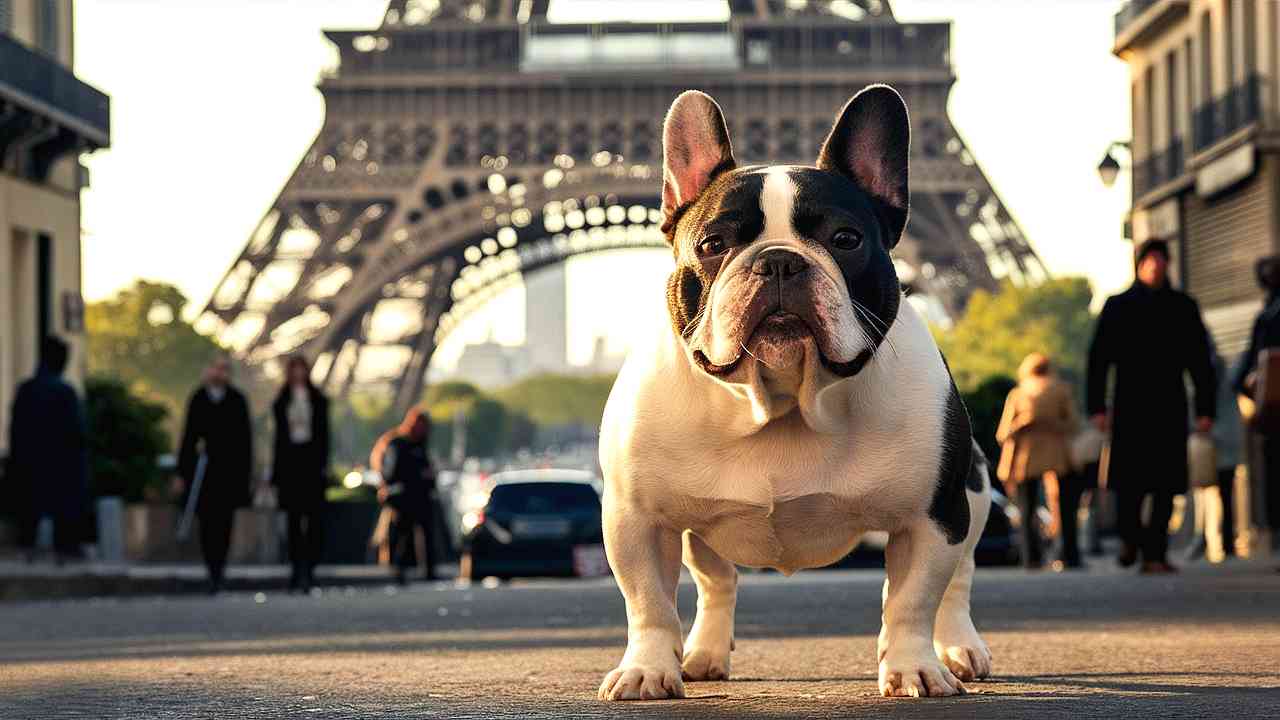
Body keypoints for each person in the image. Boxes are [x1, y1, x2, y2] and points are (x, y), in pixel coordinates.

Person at [1087, 239, 1215, 574]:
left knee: (1164, 483)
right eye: (1149, 260)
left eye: (1160, 260)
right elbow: (1099, 361)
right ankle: (1132, 539)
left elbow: (1201, 362)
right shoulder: (1117, 306)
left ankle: (1155, 553)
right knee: (1130, 484)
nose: (1155, 266)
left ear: (1168, 264)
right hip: (1130, 405)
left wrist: (1205, 409)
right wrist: (1097, 407)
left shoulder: (1183, 307)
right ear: (1139, 265)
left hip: (1169, 405)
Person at [9, 337, 90, 564]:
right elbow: (77, 434)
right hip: (61, 463)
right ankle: (64, 550)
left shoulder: (26, 390)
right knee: (63, 509)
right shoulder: (65, 392)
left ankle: (28, 549)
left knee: (30, 510)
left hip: (29, 461)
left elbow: (16, 429)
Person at [177, 355, 254, 594]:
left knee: (224, 523)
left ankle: (219, 570)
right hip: (204, 473)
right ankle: (212, 569)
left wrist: (246, 474)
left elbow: (245, 441)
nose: (219, 374)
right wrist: (182, 472)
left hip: (229, 472)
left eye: (223, 370)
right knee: (207, 523)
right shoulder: (198, 398)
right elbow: (188, 436)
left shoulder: (237, 400)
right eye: (215, 368)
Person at [996, 352, 1077, 570]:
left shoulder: (1018, 393)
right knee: (1066, 508)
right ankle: (1070, 556)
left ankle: (1030, 558)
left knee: (1026, 508)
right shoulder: (1061, 390)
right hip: (1058, 455)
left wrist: (1025, 424)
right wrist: (1052, 424)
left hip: (1026, 457)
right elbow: (1073, 424)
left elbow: (1003, 433)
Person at [270, 356, 330, 593]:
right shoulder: (282, 401)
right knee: (294, 523)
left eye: (301, 369)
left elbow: (325, 437)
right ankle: (296, 571)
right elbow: (278, 440)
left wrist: (324, 465)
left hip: (311, 465)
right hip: (290, 466)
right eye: (293, 370)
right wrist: (275, 473)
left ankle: (310, 569)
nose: (297, 374)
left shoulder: (318, 400)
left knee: (314, 521)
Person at [1233, 255, 1280, 551]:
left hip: (1274, 409)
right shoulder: (1268, 313)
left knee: (1274, 469)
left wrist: (1246, 386)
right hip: (1274, 408)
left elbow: (1248, 366)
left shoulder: (1268, 315)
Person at [371, 408, 438, 584]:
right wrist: (417, 474)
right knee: (402, 535)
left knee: (423, 534)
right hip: (404, 497)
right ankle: (398, 569)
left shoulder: (419, 444)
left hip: (419, 496)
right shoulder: (397, 443)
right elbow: (390, 472)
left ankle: (426, 569)